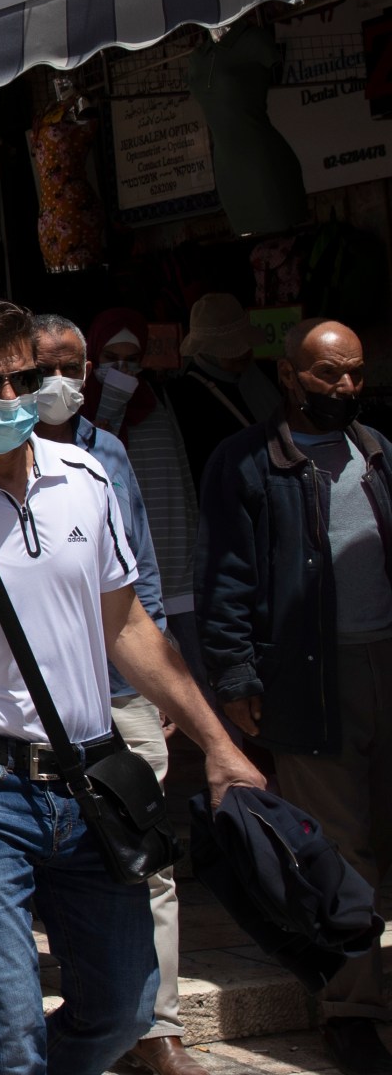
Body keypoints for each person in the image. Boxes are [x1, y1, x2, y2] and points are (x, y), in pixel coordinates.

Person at [0, 300, 262, 1075]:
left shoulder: (87, 478)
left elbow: (129, 629)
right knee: (9, 1029)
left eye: (22, 378)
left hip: (91, 781)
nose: (10, 399)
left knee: (126, 1007)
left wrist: (218, 745)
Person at [201, 318, 392, 1074]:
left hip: (385, 660)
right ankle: (352, 1010)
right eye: (327, 374)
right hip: (309, 677)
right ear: (289, 376)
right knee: (341, 849)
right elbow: (225, 578)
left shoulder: (378, 453)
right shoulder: (249, 462)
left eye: (353, 372)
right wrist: (236, 676)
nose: (344, 386)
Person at [29, 314, 194, 1075]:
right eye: (46, 368)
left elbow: (142, 575)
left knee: (147, 856)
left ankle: (157, 1025)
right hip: (38, 700)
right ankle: (87, 1005)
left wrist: (160, 673)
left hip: (121, 689)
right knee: (55, 857)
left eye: (75, 367)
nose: (62, 383)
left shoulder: (111, 453)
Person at [84, 310, 203, 675]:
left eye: (132, 360)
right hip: (124, 553)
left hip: (173, 547)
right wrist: (111, 404)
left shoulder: (158, 401)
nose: (122, 367)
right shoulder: (81, 413)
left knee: (192, 669)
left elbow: (181, 473)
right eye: (111, 358)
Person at [168, 293, 281, 486]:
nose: (244, 352)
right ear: (208, 351)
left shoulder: (262, 377)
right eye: (232, 348)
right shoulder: (185, 395)